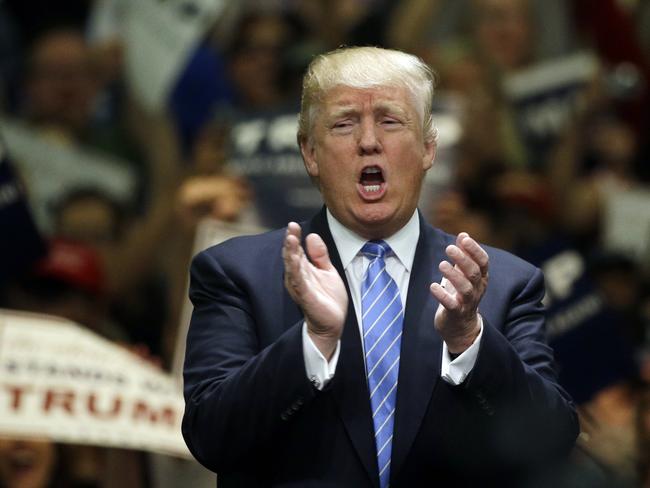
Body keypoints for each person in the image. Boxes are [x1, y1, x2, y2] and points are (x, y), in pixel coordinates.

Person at [182, 46, 579, 487]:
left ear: (429, 148)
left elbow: (550, 442)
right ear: (310, 152)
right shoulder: (236, 273)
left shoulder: (504, 284)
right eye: (344, 122)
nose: (369, 140)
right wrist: (313, 341)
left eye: (390, 121)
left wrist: (469, 340)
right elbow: (209, 437)